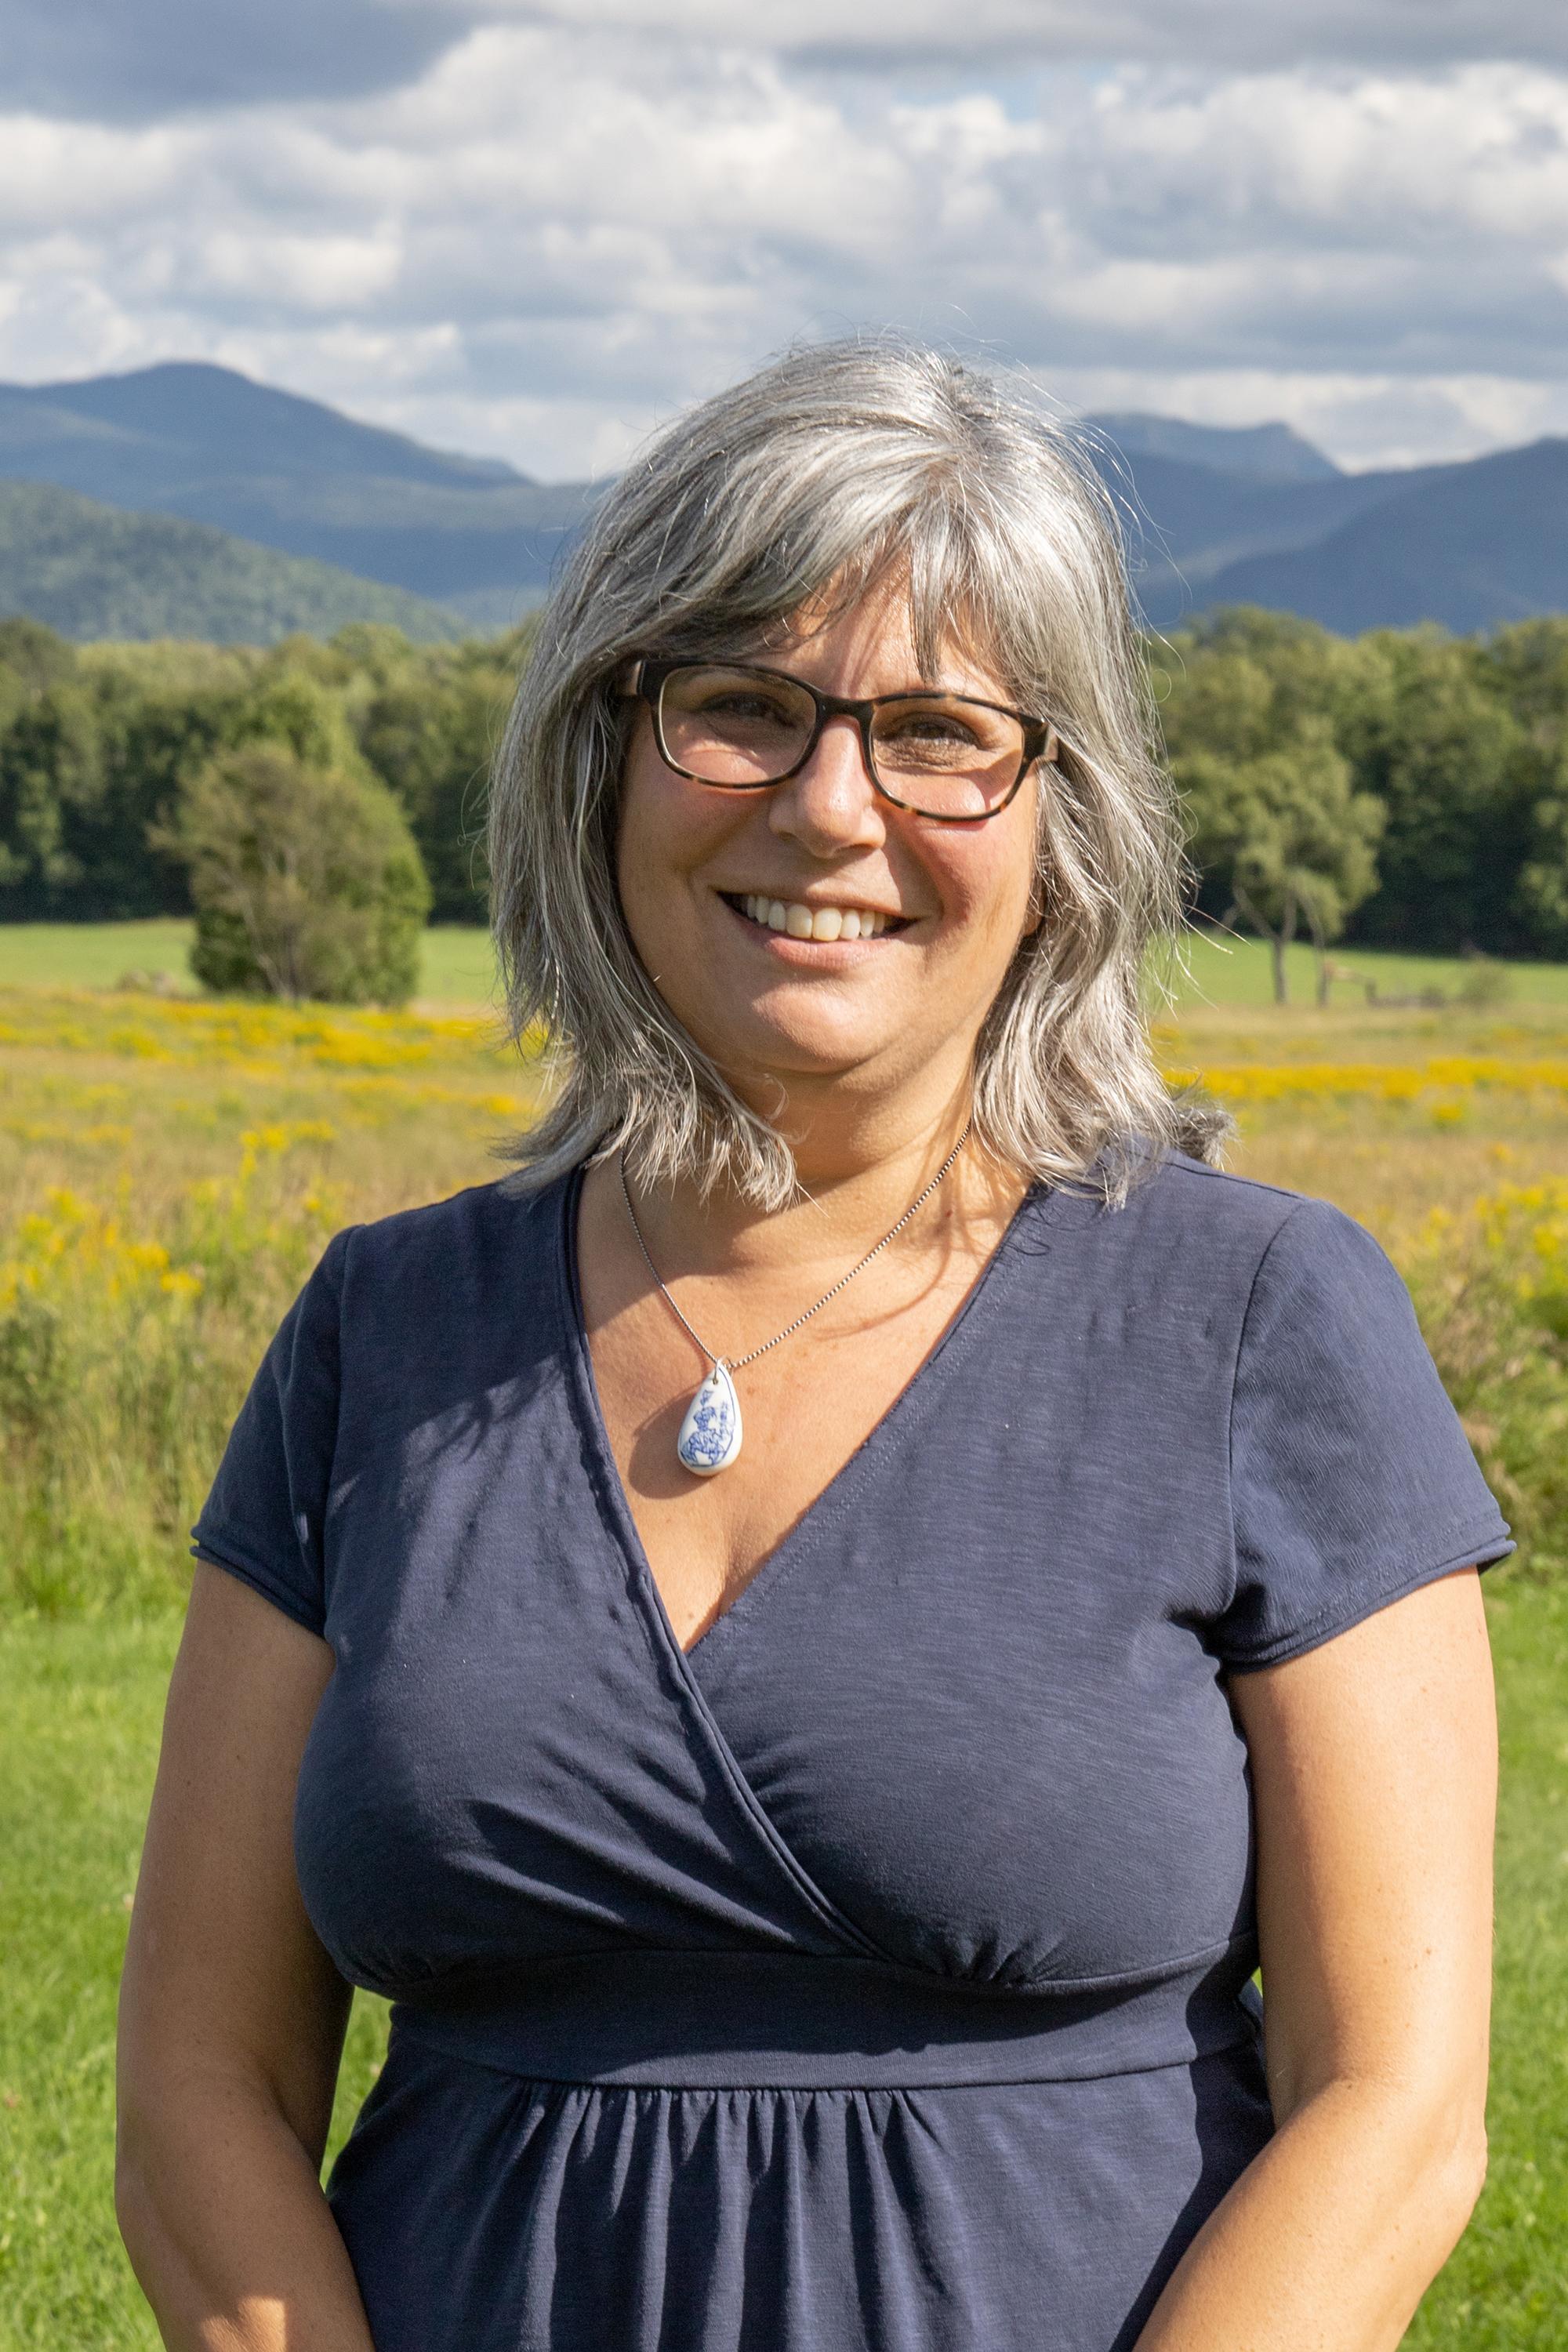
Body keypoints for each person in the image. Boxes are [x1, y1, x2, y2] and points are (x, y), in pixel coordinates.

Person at [116, 339, 1509, 2352]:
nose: (830, 808)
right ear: (603, 756)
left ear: (1062, 821)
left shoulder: (1259, 1319)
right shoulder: (381, 1331)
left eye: (939, 732)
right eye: (742, 709)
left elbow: (1393, 2109)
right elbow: (202, 2090)